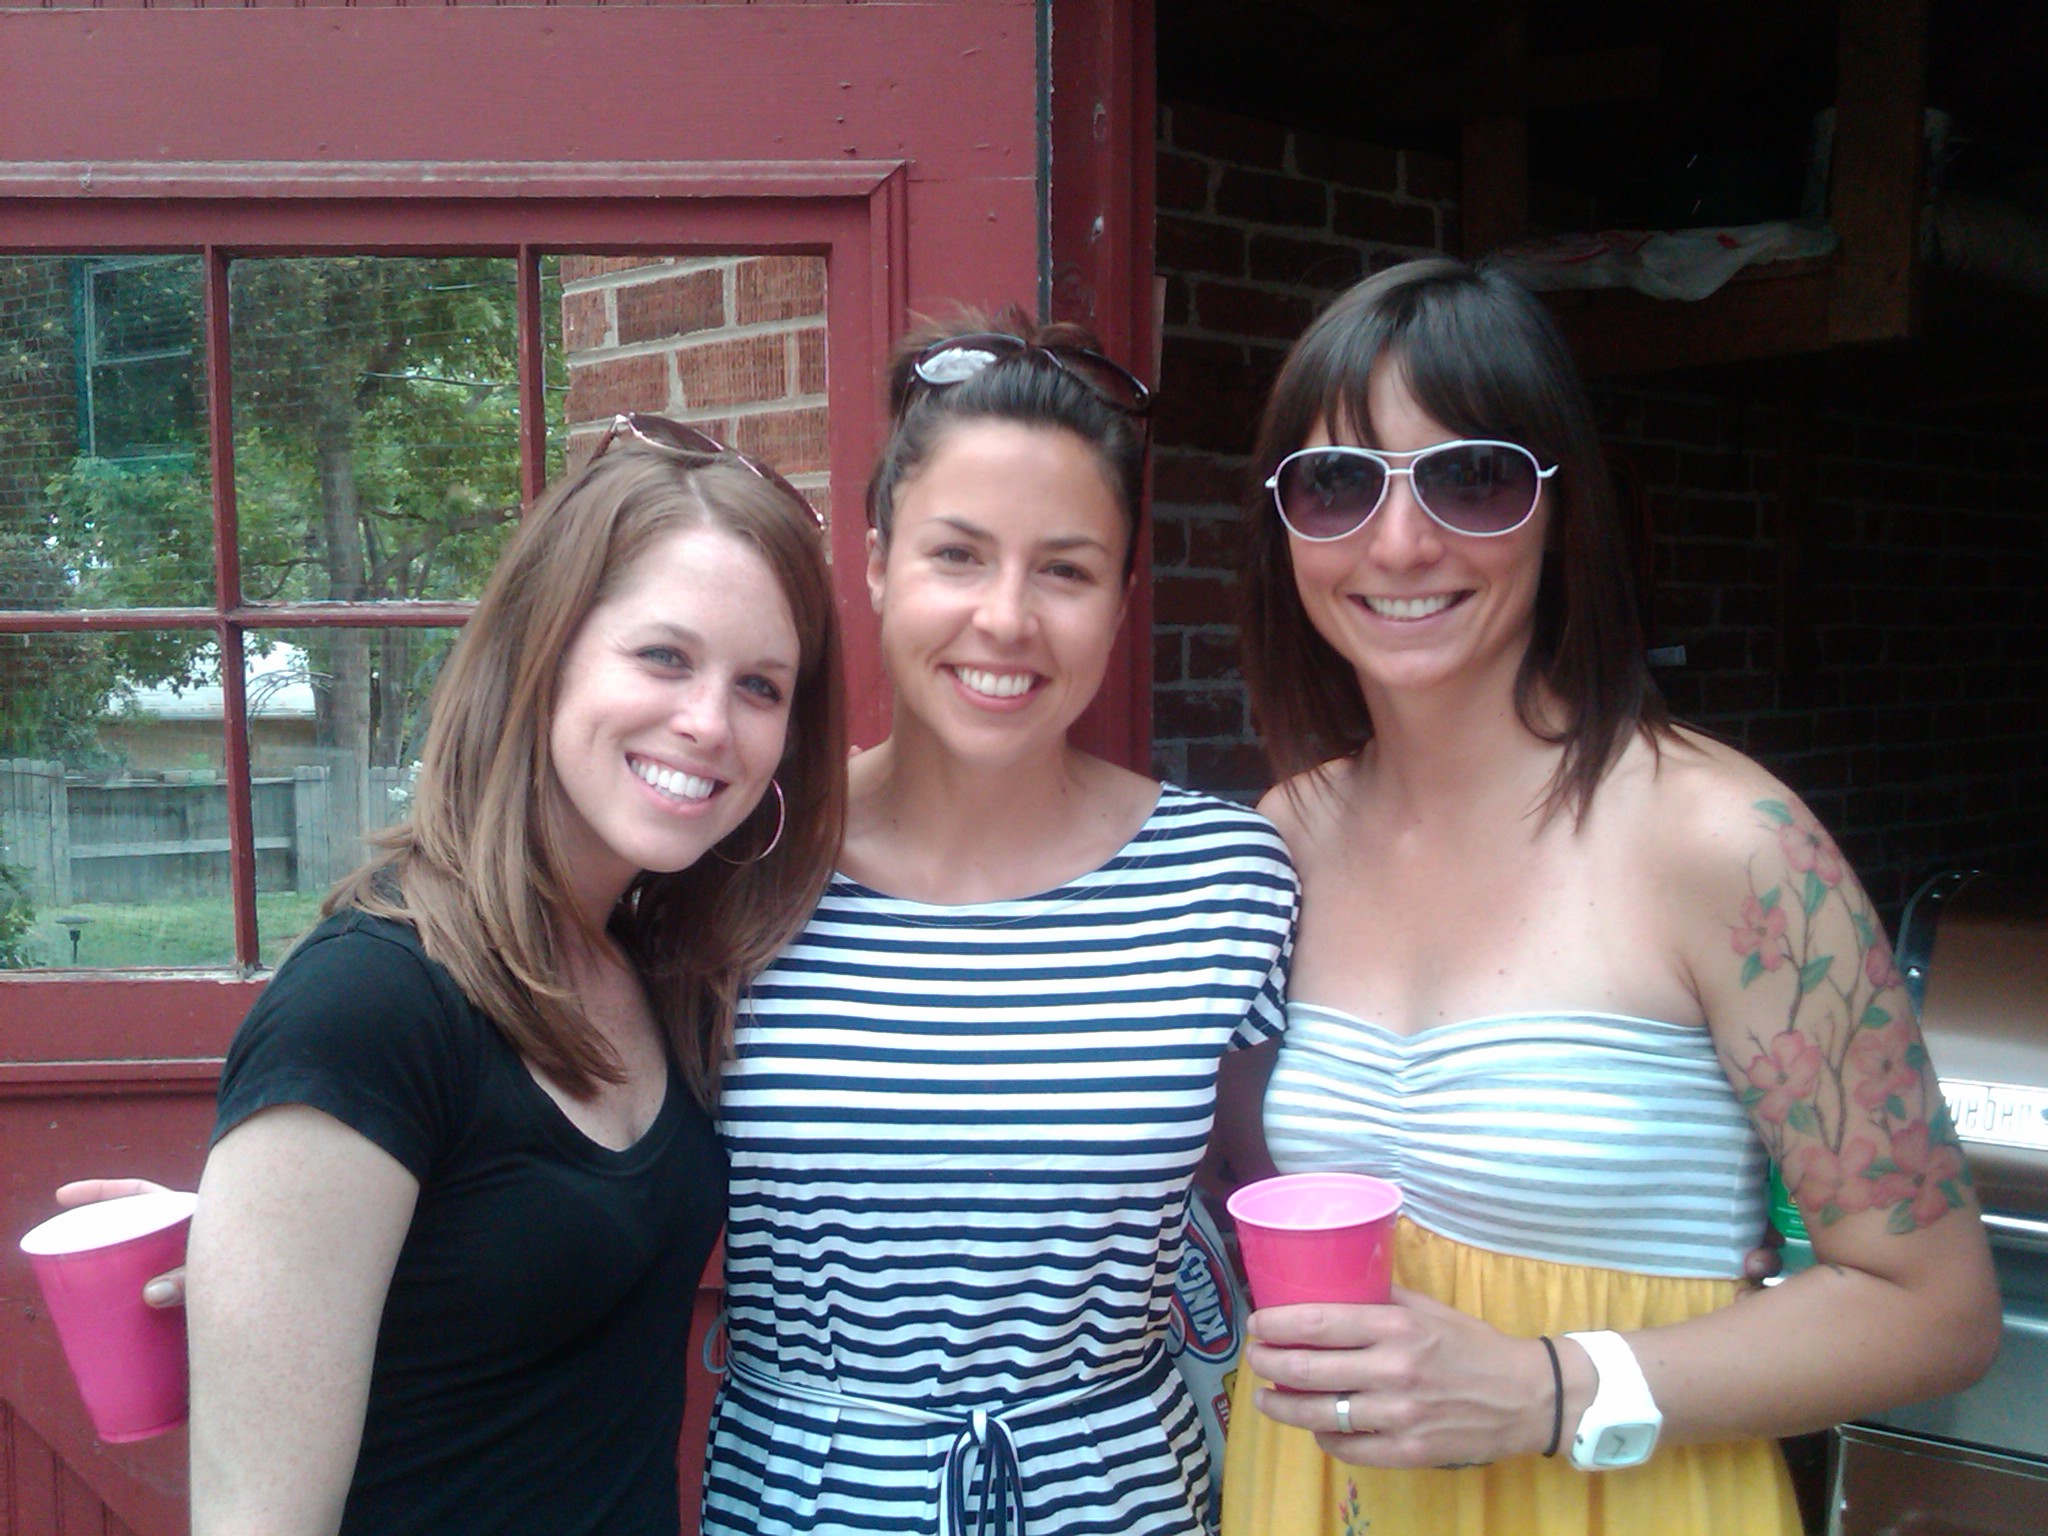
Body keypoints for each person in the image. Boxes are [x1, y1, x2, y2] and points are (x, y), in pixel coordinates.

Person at [1218, 257, 2001, 1536]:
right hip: (1325, 1494)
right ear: (1282, 525)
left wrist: (1546, 1388)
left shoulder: (1729, 844)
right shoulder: (1284, 837)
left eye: (1471, 477)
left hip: (1623, 1501)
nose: (1399, 542)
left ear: (1558, 507)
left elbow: (1935, 1310)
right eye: (1337, 483)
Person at [65, 419, 846, 1536]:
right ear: (543, 650)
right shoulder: (371, 1004)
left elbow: (501, 1251)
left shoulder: (650, 965)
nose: (709, 723)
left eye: (761, 685)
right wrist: (276, 1235)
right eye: (664, 657)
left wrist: (285, 1245)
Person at [698, 315, 1299, 1536]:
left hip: (1123, 1500)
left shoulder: (1224, 879)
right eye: (957, 556)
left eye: (1064, 570)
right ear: (876, 565)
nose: (1006, 619)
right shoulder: (737, 863)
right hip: (803, 1501)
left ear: (1122, 598)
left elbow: (1278, 1189)